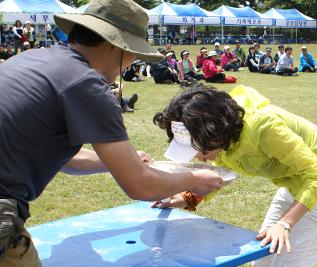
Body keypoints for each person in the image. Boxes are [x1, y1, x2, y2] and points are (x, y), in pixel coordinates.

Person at [0, 1, 223, 265]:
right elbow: (139, 185)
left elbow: (64, 159)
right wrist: (193, 179)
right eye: (132, 53)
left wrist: (121, 163)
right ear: (116, 46)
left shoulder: (32, 59)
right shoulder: (87, 84)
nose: (129, 64)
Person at [153, 84, 317, 267]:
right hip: (296, 182)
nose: (201, 158)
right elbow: (219, 175)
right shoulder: (226, 137)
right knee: (262, 258)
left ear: (214, 133)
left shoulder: (265, 128)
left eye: (202, 151)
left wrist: (285, 224)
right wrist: (187, 197)